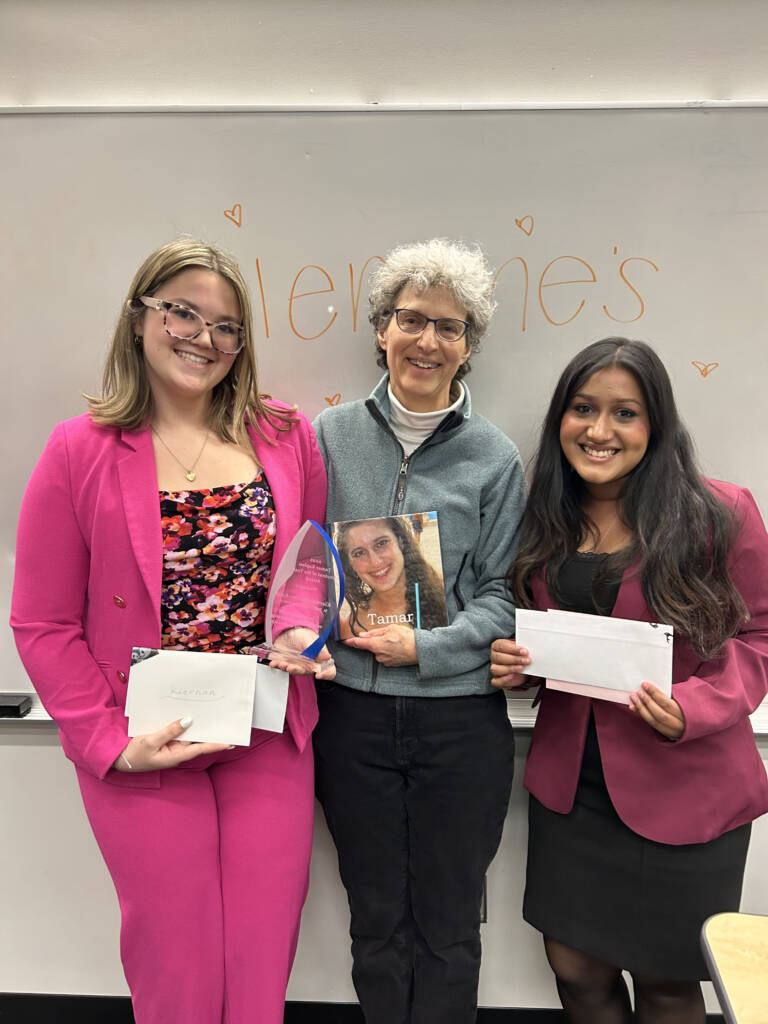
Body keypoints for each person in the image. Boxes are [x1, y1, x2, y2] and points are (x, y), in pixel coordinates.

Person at [10, 239, 330, 1024]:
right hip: (144, 739)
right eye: (182, 312)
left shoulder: (285, 434)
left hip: (264, 729)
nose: (203, 338)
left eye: (226, 326)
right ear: (139, 317)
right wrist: (108, 742)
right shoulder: (78, 450)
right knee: (177, 970)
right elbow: (42, 622)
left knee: (259, 964)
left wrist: (297, 632)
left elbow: (308, 568)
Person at [490, 338, 768, 1024]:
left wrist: (696, 705)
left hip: (686, 788)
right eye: (583, 408)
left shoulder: (719, 513)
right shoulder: (543, 519)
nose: (600, 430)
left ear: (656, 423)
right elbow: (549, 644)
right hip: (572, 789)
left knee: (668, 982)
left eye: (625, 413)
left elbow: (760, 636)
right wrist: (517, 669)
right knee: (576, 970)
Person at [313, 238, 527, 1024]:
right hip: (352, 717)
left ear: (469, 345)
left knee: (449, 926)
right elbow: (300, 562)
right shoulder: (327, 436)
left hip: (459, 722)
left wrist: (426, 649)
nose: (427, 340)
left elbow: (502, 595)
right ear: (382, 329)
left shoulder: (495, 457)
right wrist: (324, 613)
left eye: (449, 326)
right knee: (375, 920)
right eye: (411, 319)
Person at [334, 515, 447, 638]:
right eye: (359, 553)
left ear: (401, 542)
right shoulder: (353, 629)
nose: (375, 562)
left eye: (381, 543)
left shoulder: (446, 593)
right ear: (350, 565)